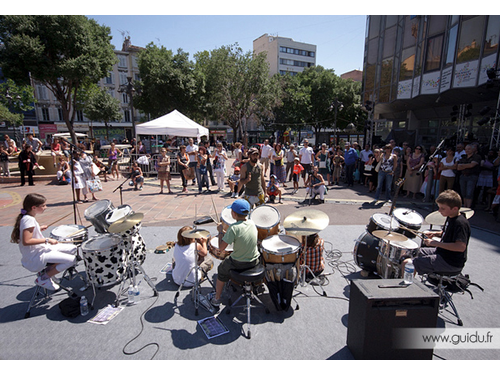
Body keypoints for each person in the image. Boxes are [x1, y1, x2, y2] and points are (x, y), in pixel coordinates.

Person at [10, 193, 77, 291]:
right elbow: (26, 241)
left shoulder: (28, 218)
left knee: (72, 248)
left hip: (40, 249)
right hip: (36, 255)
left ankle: (48, 271)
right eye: (43, 205)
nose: (46, 207)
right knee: (72, 260)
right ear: (34, 207)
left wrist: (38, 229)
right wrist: (47, 240)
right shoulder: (28, 220)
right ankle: (43, 278)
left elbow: (28, 233)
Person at [401, 189, 470, 276]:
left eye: (442, 208)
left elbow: (460, 247)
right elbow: (450, 233)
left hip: (450, 262)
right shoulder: (451, 216)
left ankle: (408, 287)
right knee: (410, 252)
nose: (439, 210)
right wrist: (436, 234)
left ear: (455, 209)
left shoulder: (460, 223)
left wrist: (435, 243)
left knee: (408, 263)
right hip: (442, 253)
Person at [208, 199, 260, 308]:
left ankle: (217, 299)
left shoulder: (233, 228)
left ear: (233, 214)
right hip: (254, 261)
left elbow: (221, 248)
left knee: (221, 268)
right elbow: (240, 235)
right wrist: (226, 234)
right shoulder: (252, 223)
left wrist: (220, 232)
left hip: (239, 262)